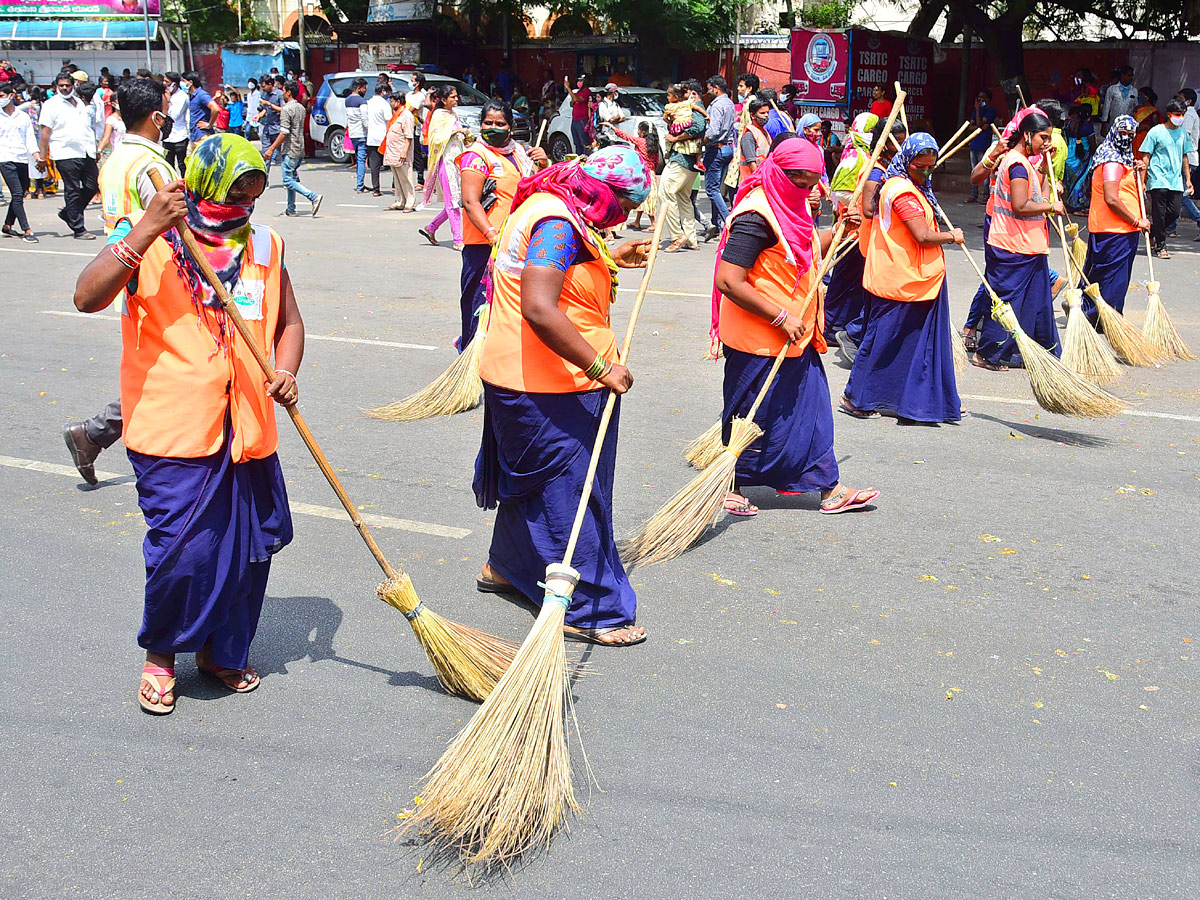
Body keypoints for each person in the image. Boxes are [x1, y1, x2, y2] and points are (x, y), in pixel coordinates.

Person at [72, 133, 302, 715]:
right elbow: (86, 296)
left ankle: (222, 652)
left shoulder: (267, 245)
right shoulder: (154, 242)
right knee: (185, 553)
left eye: (254, 195)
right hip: (173, 432)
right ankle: (161, 654)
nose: (244, 207)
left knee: (251, 552)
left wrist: (285, 369)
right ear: (203, 186)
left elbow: (291, 324)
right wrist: (146, 227)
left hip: (249, 429)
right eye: (234, 194)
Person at [473, 146, 652, 646]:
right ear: (604, 192)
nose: (624, 215)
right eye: (625, 204)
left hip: (521, 374)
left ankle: (506, 566)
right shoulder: (558, 222)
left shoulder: (553, 204)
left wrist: (610, 255)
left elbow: (553, 270)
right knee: (573, 495)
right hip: (553, 383)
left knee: (537, 486)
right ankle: (588, 608)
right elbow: (538, 305)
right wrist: (600, 367)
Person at [711, 136, 878, 517]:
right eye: (799, 181)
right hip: (758, 337)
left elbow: (799, 250)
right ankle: (727, 484)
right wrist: (780, 316)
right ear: (779, 173)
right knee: (752, 414)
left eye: (811, 182)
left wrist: (840, 230)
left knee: (810, 410)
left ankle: (828, 488)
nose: (806, 190)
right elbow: (729, 280)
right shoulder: (755, 216)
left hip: (795, 335)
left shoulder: (790, 204)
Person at [64, 77, 180, 483]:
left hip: (125, 276)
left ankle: (92, 434)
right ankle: (94, 432)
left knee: (153, 368)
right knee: (170, 369)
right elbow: (174, 228)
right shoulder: (152, 165)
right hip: (157, 280)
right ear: (157, 116)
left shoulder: (117, 158)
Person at [842, 134, 963, 424]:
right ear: (907, 162)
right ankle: (855, 396)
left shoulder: (904, 185)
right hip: (900, 278)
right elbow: (921, 236)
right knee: (882, 340)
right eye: (920, 167)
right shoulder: (902, 192)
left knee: (906, 342)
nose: (925, 173)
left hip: (910, 277)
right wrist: (951, 235)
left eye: (931, 168)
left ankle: (905, 398)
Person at [973, 111, 1061, 370]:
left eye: (1049, 138)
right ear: (1028, 135)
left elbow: (1039, 193)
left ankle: (1036, 351)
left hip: (1030, 245)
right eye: (1043, 138)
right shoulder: (1017, 164)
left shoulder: (1028, 164)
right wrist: (1050, 207)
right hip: (1012, 244)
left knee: (1037, 302)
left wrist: (1045, 166)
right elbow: (1021, 205)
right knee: (1009, 303)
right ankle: (987, 353)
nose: (1046, 143)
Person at [457, 100, 547, 350]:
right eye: (488, 123)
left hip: (515, 245)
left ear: (510, 127)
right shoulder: (475, 156)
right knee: (479, 310)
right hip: (484, 247)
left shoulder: (519, 153)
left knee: (507, 310)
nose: (493, 127)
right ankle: (473, 365)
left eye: (500, 123)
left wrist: (543, 164)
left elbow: (536, 187)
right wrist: (491, 234)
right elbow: (470, 201)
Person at [832, 116, 906, 361]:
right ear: (885, 143)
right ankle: (853, 333)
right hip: (872, 241)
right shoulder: (876, 170)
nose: (902, 147)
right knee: (879, 295)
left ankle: (857, 335)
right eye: (898, 142)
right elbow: (868, 209)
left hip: (885, 241)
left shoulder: (894, 167)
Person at [1077, 115, 1149, 324]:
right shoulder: (1111, 160)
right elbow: (1112, 198)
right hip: (1115, 230)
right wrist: (1137, 221)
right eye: (1122, 133)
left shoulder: (1122, 159)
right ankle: (1099, 318)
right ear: (1113, 132)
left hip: (1121, 230)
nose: (1126, 138)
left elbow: (1137, 191)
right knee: (1110, 281)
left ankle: (1101, 316)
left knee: (1112, 278)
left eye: (1130, 135)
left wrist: (1138, 173)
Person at [38, 71, 99, 239]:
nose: (65, 88)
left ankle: (69, 213)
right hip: (65, 152)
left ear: (73, 86)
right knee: (72, 190)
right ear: (57, 87)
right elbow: (45, 132)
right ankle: (78, 228)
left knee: (92, 186)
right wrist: (42, 157)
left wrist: (95, 149)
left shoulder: (79, 102)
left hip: (85, 151)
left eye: (68, 85)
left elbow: (89, 128)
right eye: (61, 86)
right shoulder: (51, 105)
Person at [1137, 97, 1195, 258]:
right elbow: (1146, 156)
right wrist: (1142, 180)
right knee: (1159, 213)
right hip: (1157, 178)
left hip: (1175, 180)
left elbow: (1184, 157)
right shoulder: (1156, 131)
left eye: (1182, 114)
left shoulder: (1183, 134)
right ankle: (1161, 247)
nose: (1180, 117)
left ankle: (1153, 231)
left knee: (1174, 212)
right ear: (1169, 114)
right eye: (1177, 114)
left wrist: (1188, 179)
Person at [418, 85, 467, 249]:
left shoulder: (454, 115)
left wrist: (465, 136)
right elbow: (436, 139)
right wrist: (455, 132)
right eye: (453, 97)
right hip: (445, 162)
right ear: (444, 99)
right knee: (452, 202)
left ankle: (431, 227)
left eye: (456, 96)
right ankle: (458, 240)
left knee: (455, 201)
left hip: (457, 160)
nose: (456, 99)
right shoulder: (438, 115)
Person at [660, 83, 707, 252]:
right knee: (684, 199)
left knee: (665, 193)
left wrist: (675, 138)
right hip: (686, 160)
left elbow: (697, 128)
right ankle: (691, 239)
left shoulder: (694, 108)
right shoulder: (683, 108)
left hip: (682, 159)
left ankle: (677, 236)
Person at [264, 81, 321, 218]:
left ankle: (313, 196)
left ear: (288, 92)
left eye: (283, 90)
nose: (282, 93)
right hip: (299, 147)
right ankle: (290, 208)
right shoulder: (300, 107)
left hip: (290, 149)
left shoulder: (287, 109)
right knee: (291, 177)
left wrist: (271, 149)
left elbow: (284, 132)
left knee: (287, 180)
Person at [0, 81, 41, 242]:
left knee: (20, 194)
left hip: (22, 158)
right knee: (17, 193)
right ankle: (27, 230)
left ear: (11, 95)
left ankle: (8, 225)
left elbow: (30, 138)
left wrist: (38, 157)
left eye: (2, 96)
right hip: (5, 158)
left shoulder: (22, 117)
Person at [703, 75, 736, 239]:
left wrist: (703, 140)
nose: (708, 91)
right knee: (716, 189)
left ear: (716, 88)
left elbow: (713, 131)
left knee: (712, 189)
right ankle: (716, 224)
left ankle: (727, 222)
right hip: (727, 148)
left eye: (709, 88)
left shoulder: (716, 106)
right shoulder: (729, 103)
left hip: (716, 148)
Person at [614, 119, 661, 230]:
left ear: (643, 132)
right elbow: (657, 161)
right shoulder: (654, 144)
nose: (637, 132)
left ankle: (654, 223)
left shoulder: (640, 142)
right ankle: (637, 221)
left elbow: (626, 137)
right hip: (651, 173)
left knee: (642, 198)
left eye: (639, 130)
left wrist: (613, 128)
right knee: (646, 199)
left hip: (643, 174)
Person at [382, 91, 416, 212]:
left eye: (392, 101)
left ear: (398, 101)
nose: (391, 104)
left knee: (406, 178)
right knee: (397, 178)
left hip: (401, 151)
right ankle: (400, 201)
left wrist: (404, 152)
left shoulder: (407, 115)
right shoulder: (396, 115)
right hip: (393, 151)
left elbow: (408, 137)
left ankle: (409, 202)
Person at [1062, 104, 1097, 212]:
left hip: (1069, 154)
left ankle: (1069, 203)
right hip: (1083, 157)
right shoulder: (1088, 126)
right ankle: (1078, 204)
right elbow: (1092, 144)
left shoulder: (1068, 124)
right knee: (1081, 181)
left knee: (1071, 181)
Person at [967, 89, 997, 203]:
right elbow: (970, 127)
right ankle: (973, 195)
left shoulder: (990, 111)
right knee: (974, 170)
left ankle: (985, 196)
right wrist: (979, 127)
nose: (980, 100)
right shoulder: (975, 111)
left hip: (983, 144)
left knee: (984, 170)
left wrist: (978, 112)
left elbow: (978, 123)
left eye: (983, 97)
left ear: (988, 99)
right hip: (974, 144)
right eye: (979, 97)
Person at [182, 71, 220, 156]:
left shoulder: (201, 95)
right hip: (194, 135)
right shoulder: (192, 96)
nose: (182, 84)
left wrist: (209, 125)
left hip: (202, 136)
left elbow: (215, 109)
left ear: (190, 82)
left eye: (184, 81)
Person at [254, 75, 283, 182]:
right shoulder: (264, 95)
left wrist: (270, 104)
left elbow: (283, 110)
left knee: (284, 155)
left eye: (264, 86)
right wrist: (259, 115)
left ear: (270, 84)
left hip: (278, 129)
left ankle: (291, 179)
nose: (263, 89)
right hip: (267, 128)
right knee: (266, 155)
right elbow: (264, 110)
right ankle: (264, 180)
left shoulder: (280, 94)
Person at [365, 81, 391, 197]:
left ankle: (376, 189)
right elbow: (389, 119)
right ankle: (395, 186)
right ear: (383, 91)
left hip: (371, 137)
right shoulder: (384, 104)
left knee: (374, 165)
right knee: (393, 162)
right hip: (383, 136)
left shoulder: (368, 102)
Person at [738, 98, 772, 181]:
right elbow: (751, 163)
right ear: (753, 115)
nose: (766, 115)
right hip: (752, 181)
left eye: (767, 112)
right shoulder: (749, 136)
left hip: (763, 177)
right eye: (762, 113)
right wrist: (759, 180)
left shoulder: (764, 132)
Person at [345, 77, 369, 193]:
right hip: (362, 133)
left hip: (353, 133)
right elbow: (365, 119)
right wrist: (369, 130)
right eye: (364, 88)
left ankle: (360, 184)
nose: (365, 90)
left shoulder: (347, 100)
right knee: (361, 160)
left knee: (359, 158)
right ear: (359, 88)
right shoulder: (362, 101)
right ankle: (360, 185)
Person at [163, 72, 189, 175]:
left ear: (174, 84)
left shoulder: (182, 97)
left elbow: (174, 116)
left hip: (179, 136)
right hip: (167, 136)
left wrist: (168, 101)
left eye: (167, 82)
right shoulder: (164, 95)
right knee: (168, 165)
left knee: (182, 164)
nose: (164, 84)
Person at [405, 72, 428, 186]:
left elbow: (410, 109)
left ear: (418, 83)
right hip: (405, 125)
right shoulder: (409, 94)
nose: (411, 82)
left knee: (416, 153)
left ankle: (420, 179)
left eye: (413, 80)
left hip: (414, 127)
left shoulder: (420, 97)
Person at [1100, 67, 1138, 134]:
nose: (1131, 78)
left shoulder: (1134, 91)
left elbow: (1136, 108)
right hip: (1114, 123)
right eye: (1129, 75)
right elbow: (1106, 106)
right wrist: (1104, 124)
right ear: (1122, 75)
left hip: (1128, 125)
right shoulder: (1112, 89)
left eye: (1132, 75)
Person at [1132, 87, 1163, 153]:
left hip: (1145, 137)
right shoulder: (1137, 108)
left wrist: (1146, 127)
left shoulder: (1153, 111)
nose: (1139, 97)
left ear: (1147, 97)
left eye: (1141, 95)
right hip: (1135, 135)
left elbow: (1156, 127)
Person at [565, 74, 591, 154]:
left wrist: (568, 88)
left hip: (582, 120)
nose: (579, 83)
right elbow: (572, 102)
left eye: (581, 81)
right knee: (577, 144)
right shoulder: (579, 92)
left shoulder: (587, 92)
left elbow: (577, 99)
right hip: (575, 120)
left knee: (584, 143)